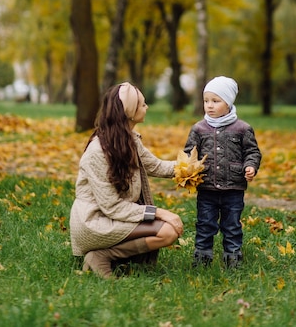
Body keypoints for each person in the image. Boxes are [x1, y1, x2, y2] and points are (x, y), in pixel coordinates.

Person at [70, 82, 184, 278]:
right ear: (129, 112)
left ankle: (107, 256)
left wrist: (190, 168)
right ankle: (101, 256)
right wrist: (160, 213)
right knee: (167, 230)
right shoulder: (97, 152)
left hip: (114, 216)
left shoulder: (128, 139)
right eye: (142, 104)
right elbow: (112, 207)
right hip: (95, 222)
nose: (146, 107)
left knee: (169, 230)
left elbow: (155, 166)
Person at [184, 76, 262, 269]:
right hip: (207, 188)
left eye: (216, 101)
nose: (209, 105)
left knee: (232, 226)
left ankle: (233, 259)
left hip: (233, 189)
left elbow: (252, 152)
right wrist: (187, 169)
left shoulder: (242, 129)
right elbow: (189, 153)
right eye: (206, 100)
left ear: (228, 102)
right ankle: (202, 260)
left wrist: (250, 166)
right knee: (205, 224)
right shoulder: (199, 129)